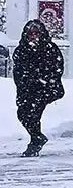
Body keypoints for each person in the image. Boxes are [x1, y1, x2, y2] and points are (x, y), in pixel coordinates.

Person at [13, 20, 65, 157]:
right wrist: (24, 83)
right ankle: (37, 137)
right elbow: (18, 70)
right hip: (27, 90)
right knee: (23, 114)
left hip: (45, 89)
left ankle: (35, 142)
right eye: (31, 34)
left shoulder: (50, 48)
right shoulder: (21, 50)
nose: (33, 36)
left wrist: (46, 81)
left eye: (36, 33)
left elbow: (57, 68)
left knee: (33, 114)